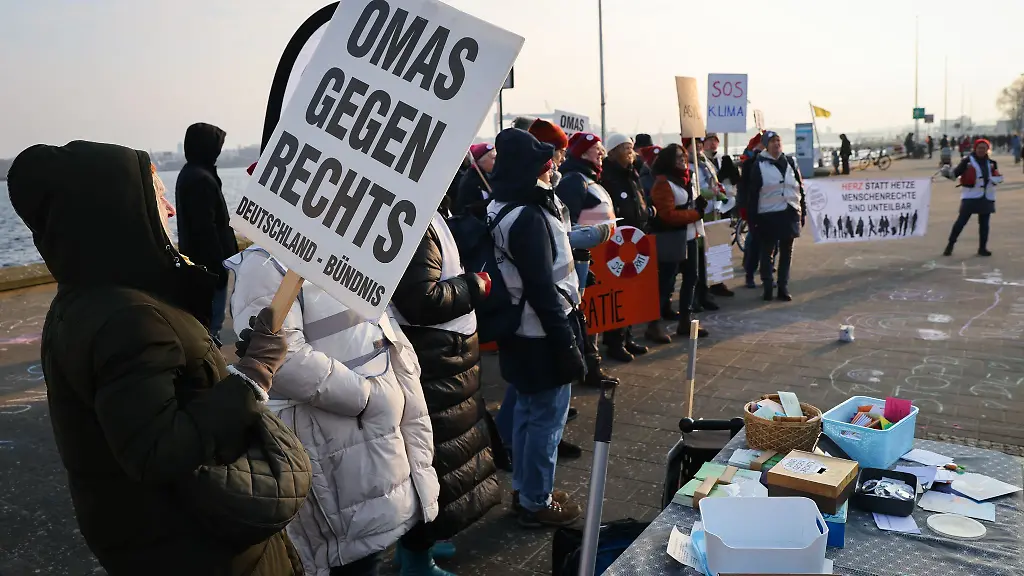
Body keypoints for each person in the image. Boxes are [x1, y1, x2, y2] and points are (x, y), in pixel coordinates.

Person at [7, 141, 301, 575]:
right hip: (196, 550)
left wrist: (223, 371)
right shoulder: (128, 318)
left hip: (159, 542)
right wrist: (253, 375)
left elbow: (156, 405)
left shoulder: (87, 301)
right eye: (157, 196)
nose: (170, 209)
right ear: (120, 209)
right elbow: (158, 450)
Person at [227, 241, 441, 576]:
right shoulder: (264, 264)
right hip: (333, 435)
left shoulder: (344, 245)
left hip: (373, 427)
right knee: (353, 554)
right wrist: (367, 398)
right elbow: (281, 360)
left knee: (378, 530)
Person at [391, 207, 504, 573]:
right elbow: (421, 299)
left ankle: (418, 545)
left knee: (437, 457)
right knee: (432, 459)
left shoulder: (421, 209)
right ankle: (416, 557)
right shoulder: (411, 214)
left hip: (443, 359)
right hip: (436, 360)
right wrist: (474, 285)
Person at [487, 128, 585, 527]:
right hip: (542, 331)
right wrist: (566, 344)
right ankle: (536, 502)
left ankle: (527, 490)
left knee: (529, 415)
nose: (552, 169)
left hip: (521, 330)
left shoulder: (502, 204)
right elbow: (542, 288)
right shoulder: (528, 215)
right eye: (546, 164)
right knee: (546, 421)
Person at [557, 132, 618, 388]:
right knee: (580, 313)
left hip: (589, 256)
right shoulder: (574, 181)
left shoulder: (587, 178)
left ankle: (589, 364)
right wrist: (592, 235)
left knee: (587, 313)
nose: (602, 152)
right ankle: (586, 367)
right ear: (582, 153)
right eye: (597, 148)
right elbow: (563, 227)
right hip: (578, 258)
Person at [174, 122, 239, 339]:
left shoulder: (191, 173)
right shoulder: (201, 179)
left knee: (206, 324)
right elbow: (205, 229)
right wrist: (217, 269)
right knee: (211, 325)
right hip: (208, 269)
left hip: (201, 267)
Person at [600, 133, 656, 359]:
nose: (631, 152)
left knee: (632, 292)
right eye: (625, 148)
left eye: (631, 147)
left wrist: (647, 212)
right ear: (613, 152)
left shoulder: (633, 173)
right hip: (618, 244)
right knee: (618, 293)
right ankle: (615, 341)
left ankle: (628, 337)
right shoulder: (607, 177)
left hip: (637, 240)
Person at [646, 143, 709, 342]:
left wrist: (699, 204)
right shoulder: (663, 183)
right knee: (666, 282)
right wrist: (695, 213)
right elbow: (668, 215)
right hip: (672, 238)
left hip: (690, 236)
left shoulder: (688, 179)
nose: (683, 161)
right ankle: (653, 324)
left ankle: (685, 320)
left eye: (684, 157)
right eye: (678, 158)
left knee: (691, 278)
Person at [742, 130, 806, 302]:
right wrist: (752, 220)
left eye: (778, 141)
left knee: (787, 252)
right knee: (767, 252)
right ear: (766, 146)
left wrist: (803, 211)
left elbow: (800, 188)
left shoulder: (791, 162)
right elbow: (753, 195)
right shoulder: (759, 165)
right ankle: (768, 285)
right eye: (772, 142)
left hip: (790, 212)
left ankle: (783, 286)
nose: (776, 144)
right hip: (768, 215)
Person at [943, 138, 1003, 257]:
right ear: (975, 148)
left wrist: (998, 179)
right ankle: (950, 245)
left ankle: (982, 248)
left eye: (984, 148)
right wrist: (946, 172)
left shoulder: (992, 163)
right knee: (961, 222)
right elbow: (955, 175)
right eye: (979, 148)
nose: (981, 150)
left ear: (987, 149)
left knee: (984, 225)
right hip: (970, 197)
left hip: (986, 197)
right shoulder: (967, 161)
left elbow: (996, 176)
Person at [698, 133, 737, 298]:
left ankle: (718, 282)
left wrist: (731, 170)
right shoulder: (696, 163)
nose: (712, 144)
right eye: (709, 141)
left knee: (719, 247)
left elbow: (727, 181)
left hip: (721, 207)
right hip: (705, 211)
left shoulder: (715, 160)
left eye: (715, 141)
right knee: (704, 251)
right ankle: (704, 286)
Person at [454, 143, 496, 219]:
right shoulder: (470, 181)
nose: (497, 161)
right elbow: (468, 209)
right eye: (493, 158)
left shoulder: (490, 175)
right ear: (481, 161)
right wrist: (491, 201)